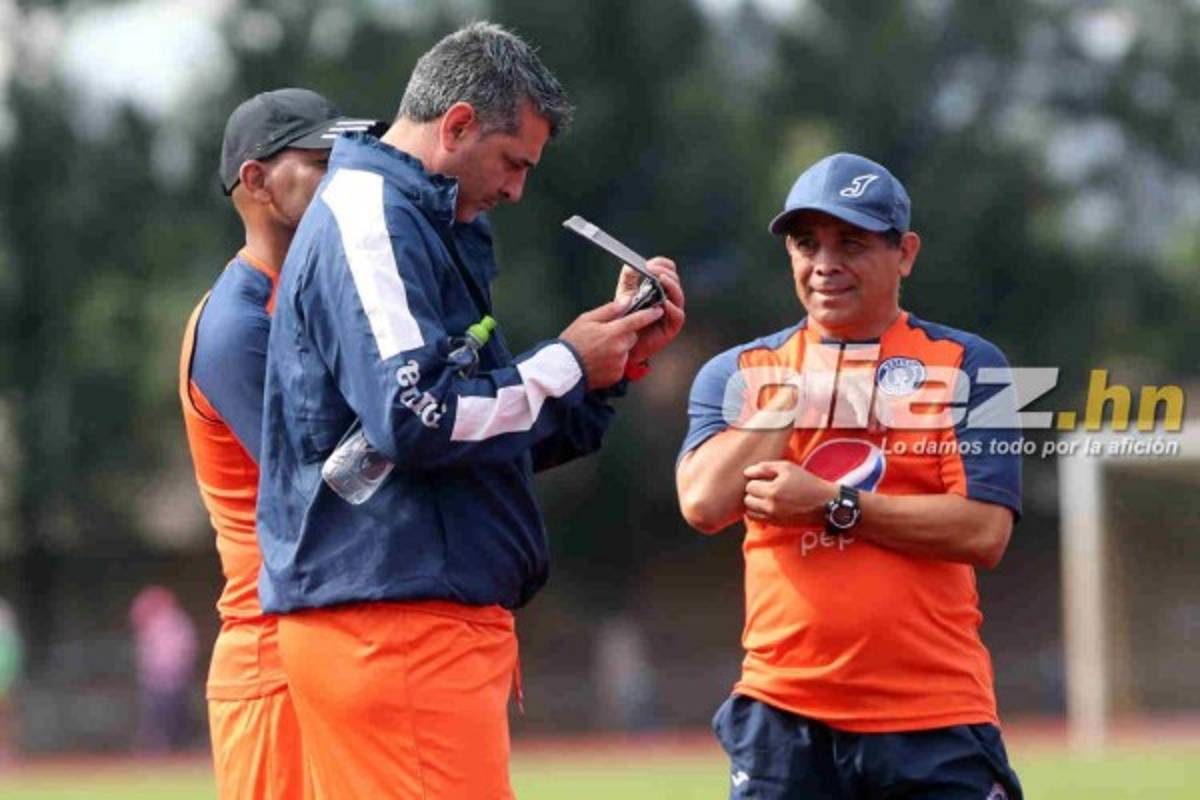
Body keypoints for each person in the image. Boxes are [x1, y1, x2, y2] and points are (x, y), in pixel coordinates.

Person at [256, 22, 685, 800]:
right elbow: (417, 418)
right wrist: (565, 361)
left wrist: (610, 363)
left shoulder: (412, 218)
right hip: (393, 626)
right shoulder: (372, 216)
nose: (517, 188)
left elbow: (484, 430)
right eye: (512, 161)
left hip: (401, 621)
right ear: (455, 125)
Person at [676, 152, 1024, 800]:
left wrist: (833, 506)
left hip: (935, 718)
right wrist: (798, 393)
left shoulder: (971, 365)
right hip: (783, 721)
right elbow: (702, 502)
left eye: (852, 243)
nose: (825, 264)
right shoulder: (738, 373)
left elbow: (985, 531)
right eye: (807, 244)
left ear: (906, 253)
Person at [178, 88, 377, 798]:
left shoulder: (313, 295)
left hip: (325, 643)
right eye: (322, 161)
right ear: (256, 182)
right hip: (271, 660)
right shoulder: (236, 326)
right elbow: (332, 479)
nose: (344, 176)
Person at [129, 585, 198, 754]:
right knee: (155, 715)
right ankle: (157, 746)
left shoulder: (178, 622)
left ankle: (177, 747)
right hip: (155, 678)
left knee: (175, 714)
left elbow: (187, 649)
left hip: (175, 677)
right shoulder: (152, 623)